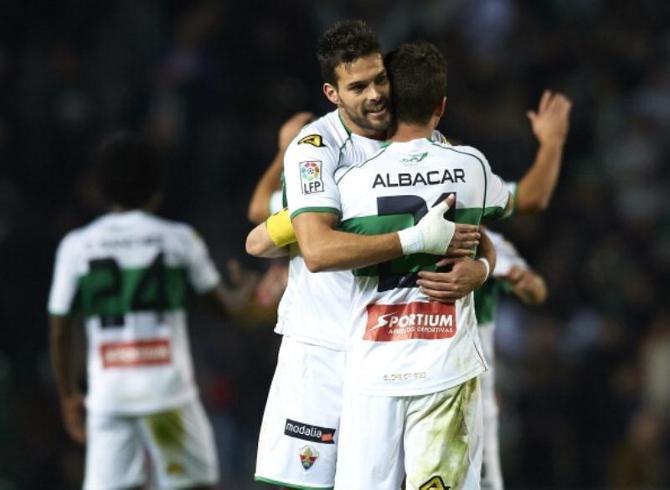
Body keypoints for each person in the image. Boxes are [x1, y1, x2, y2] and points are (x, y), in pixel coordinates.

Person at [254, 20, 486, 490]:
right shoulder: (316, 149)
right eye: (358, 87)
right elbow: (316, 250)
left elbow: (475, 235)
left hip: (395, 352)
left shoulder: (425, 141)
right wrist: (414, 240)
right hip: (322, 351)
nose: (376, 95)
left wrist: (480, 269)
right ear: (332, 93)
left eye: (380, 79)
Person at [328, 40, 515, 490]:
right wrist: (482, 270)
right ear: (441, 106)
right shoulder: (471, 165)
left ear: (387, 102)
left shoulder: (349, 180)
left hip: (372, 369)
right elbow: (500, 211)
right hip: (445, 368)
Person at [48, 132, 254, 490]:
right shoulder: (178, 239)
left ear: (100, 189)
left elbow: (60, 330)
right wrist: (247, 289)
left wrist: (68, 395)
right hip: (166, 395)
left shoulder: (77, 246)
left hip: (110, 395)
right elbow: (224, 308)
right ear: (157, 189)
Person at [475, 229, 547, 490]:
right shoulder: (408, 228)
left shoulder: (489, 242)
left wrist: (526, 283)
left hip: (474, 376)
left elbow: (536, 290)